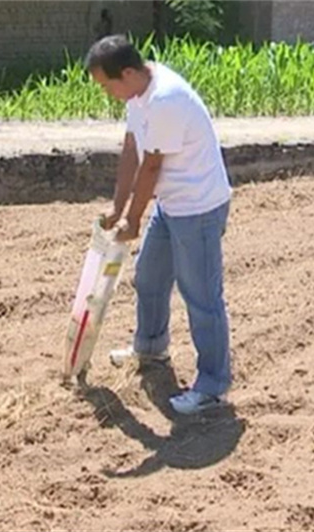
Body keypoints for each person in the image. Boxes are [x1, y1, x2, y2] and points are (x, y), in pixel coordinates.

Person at [85, 35, 232, 415]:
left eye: (107, 85)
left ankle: (212, 386)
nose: (106, 92)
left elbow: (152, 166)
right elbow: (132, 150)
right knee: (149, 277)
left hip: (198, 207)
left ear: (129, 72)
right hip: (172, 203)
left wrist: (134, 220)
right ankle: (151, 348)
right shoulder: (138, 95)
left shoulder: (166, 99)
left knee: (201, 296)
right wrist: (118, 209)